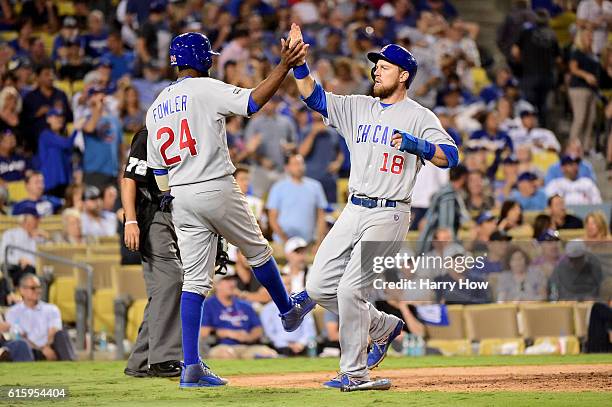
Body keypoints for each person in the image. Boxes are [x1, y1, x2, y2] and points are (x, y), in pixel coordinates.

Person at [291, 26, 459, 390]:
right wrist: (300, 64)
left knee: (351, 288)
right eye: (377, 65)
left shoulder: (419, 116)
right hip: (354, 208)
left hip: (389, 211)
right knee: (319, 287)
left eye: (385, 66)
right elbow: (314, 98)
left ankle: (355, 373)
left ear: (403, 75)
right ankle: (384, 326)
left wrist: (417, 145)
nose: (377, 70)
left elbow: (451, 157)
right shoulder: (358, 106)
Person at [145, 32, 313, 388]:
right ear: (201, 59)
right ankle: (287, 310)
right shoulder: (204, 88)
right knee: (257, 250)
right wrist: (283, 66)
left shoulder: (155, 105)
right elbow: (252, 102)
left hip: (180, 195)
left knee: (195, 280)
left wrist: (176, 191)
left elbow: (158, 174)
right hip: (214, 184)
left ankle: (191, 366)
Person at [121, 127, 182, 378]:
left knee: (162, 291)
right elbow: (129, 179)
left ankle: (140, 361)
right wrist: (130, 221)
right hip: (153, 216)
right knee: (172, 281)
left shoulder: (190, 130)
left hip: (178, 216)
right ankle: (163, 359)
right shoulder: (150, 133)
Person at [200, 275, 277, 360]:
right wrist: (227, 333)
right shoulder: (208, 305)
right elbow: (203, 333)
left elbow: (258, 329)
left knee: (269, 354)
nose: (232, 284)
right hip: (222, 346)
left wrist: (249, 337)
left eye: (233, 280)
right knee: (226, 354)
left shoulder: (245, 305)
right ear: (217, 285)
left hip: (247, 346)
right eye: (227, 281)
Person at [2, 274, 75, 361]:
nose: (37, 291)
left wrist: (47, 347)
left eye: (39, 287)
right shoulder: (13, 312)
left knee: (62, 334)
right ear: (22, 290)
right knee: (21, 344)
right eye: (33, 288)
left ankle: (71, 366)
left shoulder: (51, 308)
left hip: (51, 347)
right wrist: (41, 350)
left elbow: (54, 330)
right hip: (31, 349)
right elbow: (18, 335)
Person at [511, 9, 559, 127]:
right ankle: (541, 130)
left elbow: (515, 52)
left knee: (527, 106)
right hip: (547, 77)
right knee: (542, 107)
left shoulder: (526, 32)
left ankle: (526, 131)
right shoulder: (552, 35)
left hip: (530, 76)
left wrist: (521, 63)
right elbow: (558, 59)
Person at [266, 153, 328, 245]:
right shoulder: (278, 187)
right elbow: (272, 218)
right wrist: (285, 240)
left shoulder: (316, 186)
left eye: (301, 163)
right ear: (287, 167)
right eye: (295, 164)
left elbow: (321, 217)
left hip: (307, 243)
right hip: (282, 243)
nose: (300, 167)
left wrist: (319, 243)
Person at [260, 274, 317, 357]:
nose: (286, 287)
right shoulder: (268, 309)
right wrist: (286, 345)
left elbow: (309, 331)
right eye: (284, 284)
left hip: (302, 347)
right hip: (280, 348)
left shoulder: (302, 305)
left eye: (288, 284)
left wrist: (301, 343)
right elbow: (269, 333)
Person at [568, 28, 600, 152]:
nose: (590, 38)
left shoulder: (592, 54)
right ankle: (572, 147)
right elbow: (573, 69)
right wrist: (586, 75)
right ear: (581, 38)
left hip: (591, 89)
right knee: (580, 119)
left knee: (590, 119)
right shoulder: (577, 52)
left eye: (591, 36)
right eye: (588, 36)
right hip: (578, 88)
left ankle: (586, 147)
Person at [0, 204, 46, 287]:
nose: (38, 221)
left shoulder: (40, 238)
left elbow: (45, 259)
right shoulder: (10, 235)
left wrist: (46, 238)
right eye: (35, 219)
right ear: (24, 221)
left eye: (38, 219)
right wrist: (19, 260)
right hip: (15, 269)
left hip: (35, 270)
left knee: (44, 276)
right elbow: (3, 257)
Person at [37, 109, 76, 198]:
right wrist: (76, 130)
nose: (59, 119)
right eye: (56, 117)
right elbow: (67, 144)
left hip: (64, 182)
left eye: (61, 117)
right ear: (48, 119)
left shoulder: (63, 137)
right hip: (51, 183)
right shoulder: (45, 135)